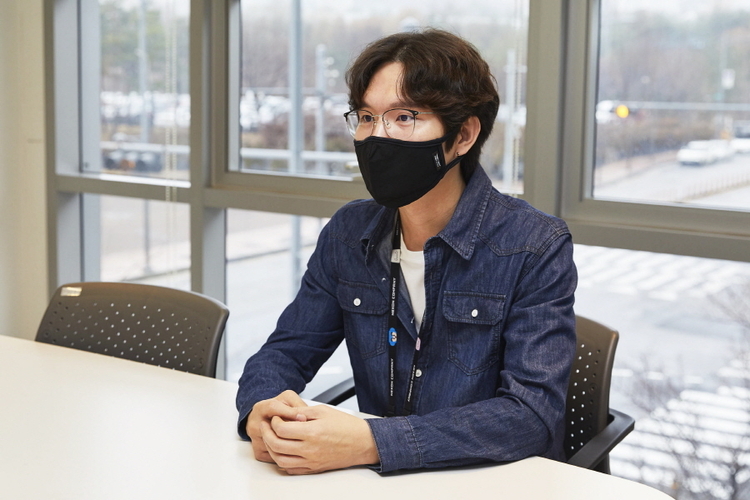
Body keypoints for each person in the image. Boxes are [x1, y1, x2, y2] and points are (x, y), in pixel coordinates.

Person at [236, 28, 577, 475]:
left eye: (403, 117)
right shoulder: (348, 233)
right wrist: (262, 408)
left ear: (463, 135)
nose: (377, 136)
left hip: (492, 482)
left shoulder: (535, 244)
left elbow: (530, 416)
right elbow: (286, 351)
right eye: (366, 117)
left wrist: (372, 442)